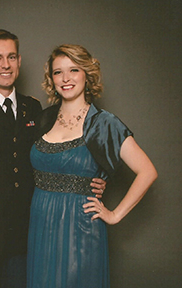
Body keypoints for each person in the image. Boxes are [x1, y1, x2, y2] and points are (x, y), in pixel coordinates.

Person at [0, 30, 106, 288]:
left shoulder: (34, 109)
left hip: (27, 238)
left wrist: (93, 180)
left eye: (11, 57)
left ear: (19, 60)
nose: (6, 65)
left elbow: (54, 157)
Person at [27, 44, 158, 288]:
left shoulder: (103, 123)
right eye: (58, 72)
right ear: (51, 78)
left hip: (80, 228)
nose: (65, 79)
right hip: (41, 224)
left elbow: (147, 171)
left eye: (73, 70)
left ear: (87, 74)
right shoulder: (43, 118)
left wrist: (115, 214)